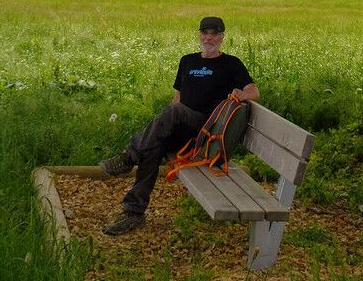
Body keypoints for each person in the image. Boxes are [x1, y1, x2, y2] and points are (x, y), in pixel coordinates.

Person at [100, 15, 259, 236]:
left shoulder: (231, 63)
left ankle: (129, 156)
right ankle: (133, 212)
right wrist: (163, 129)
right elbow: (178, 97)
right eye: (205, 33)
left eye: (214, 33)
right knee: (152, 149)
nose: (209, 38)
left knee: (173, 113)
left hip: (205, 130)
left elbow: (254, 91)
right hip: (180, 126)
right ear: (199, 34)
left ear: (222, 37)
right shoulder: (188, 61)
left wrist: (242, 93)